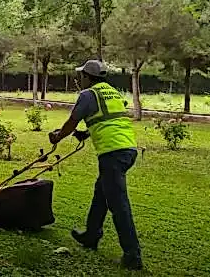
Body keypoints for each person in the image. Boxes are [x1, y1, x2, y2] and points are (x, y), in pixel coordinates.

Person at [49, 60, 143, 270]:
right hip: (128, 149)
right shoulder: (112, 93)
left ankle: (132, 255)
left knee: (119, 205)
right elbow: (108, 119)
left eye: (82, 76)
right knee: (101, 192)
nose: (80, 79)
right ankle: (91, 235)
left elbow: (72, 121)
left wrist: (57, 137)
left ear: (87, 77)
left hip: (112, 153)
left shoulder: (87, 95)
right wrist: (87, 133)